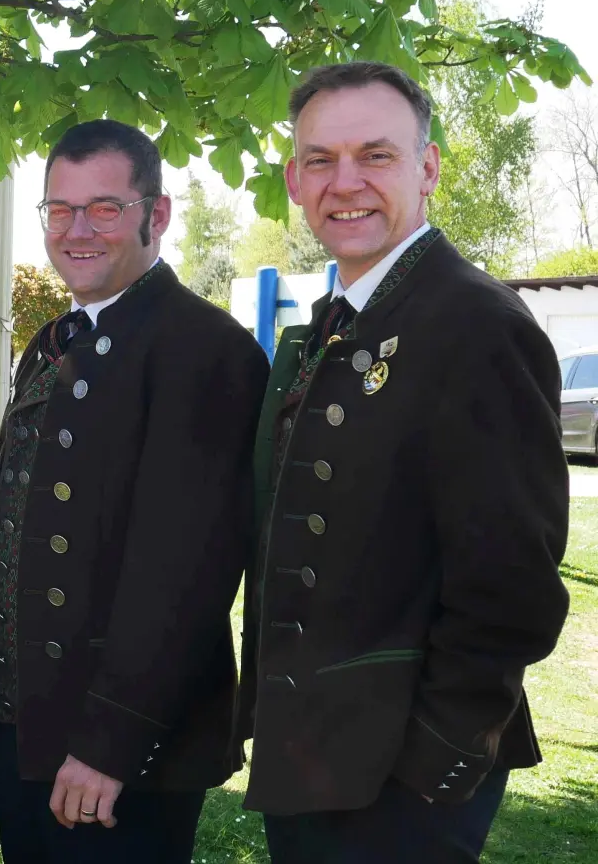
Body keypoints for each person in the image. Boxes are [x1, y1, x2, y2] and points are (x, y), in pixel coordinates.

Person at [238, 61, 571, 864]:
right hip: (314, 750)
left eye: (375, 155)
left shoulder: (473, 324)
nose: (344, 181)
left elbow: (514, 588)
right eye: (320, 159)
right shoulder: (345, 318)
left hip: (395, 777)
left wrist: (433, 762)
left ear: (427, 168)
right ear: (294, 178)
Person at [0, 120, 268, 864]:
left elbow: (187, 574)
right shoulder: (60, 341)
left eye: (104, 207)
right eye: (59, 210)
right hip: (30, 722)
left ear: (156, 215)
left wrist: (112, 739)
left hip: (119, 746)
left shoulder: (206, 350)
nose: (77, 230)